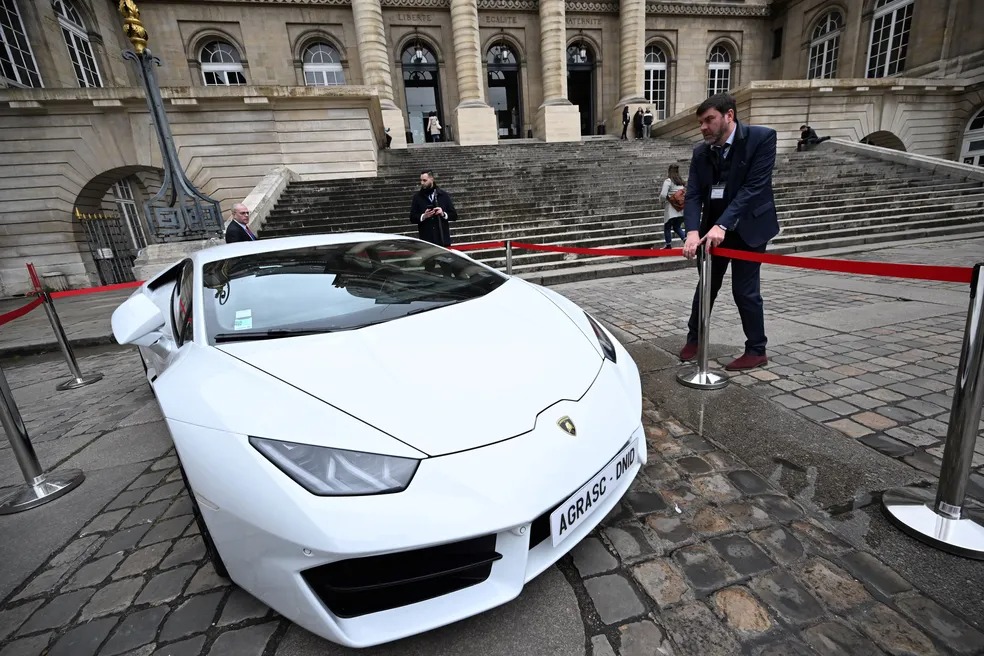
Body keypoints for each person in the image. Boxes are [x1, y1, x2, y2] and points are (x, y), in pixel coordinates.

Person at [678, 93, 779, 371]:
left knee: (745, 291)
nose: (703, 127)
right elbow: (694, 194)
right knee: (706, 286)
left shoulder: (762, 139)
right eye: (700, 122)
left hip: (749, 227)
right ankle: (695, 339)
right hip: (711, 231)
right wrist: (692, 231)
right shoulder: (701, 152)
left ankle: (757, 349)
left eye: (709, 120)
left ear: (729, 116)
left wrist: (723, 224)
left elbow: (753, 188)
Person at [409, 170, 458, 247]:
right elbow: (412, 217)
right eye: (421, 180)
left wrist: (443, 213)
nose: (422, 183)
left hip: (442, 240)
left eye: (424, 180)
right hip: (426, 241)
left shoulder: (443, 195)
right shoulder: (417, 197)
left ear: (432, 179)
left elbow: (454, 215)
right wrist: (423, 216)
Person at [659, 164, 686, 248]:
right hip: (681, 208)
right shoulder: (681, 182)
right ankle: (686, 240)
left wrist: (661, 201)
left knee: (667, 226)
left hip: (671, 209)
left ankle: (668, 245)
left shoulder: (668, 181)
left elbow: (663, 195)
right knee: (677, 226)